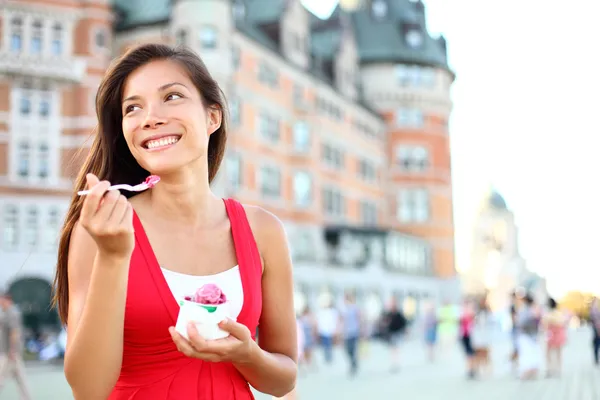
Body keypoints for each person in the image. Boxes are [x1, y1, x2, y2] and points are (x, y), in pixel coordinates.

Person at [51, 43, 298, 400]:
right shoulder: (100, 231)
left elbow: (284, 380)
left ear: (213, 117)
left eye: (172, 96)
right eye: (133, 107)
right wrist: (114, 256)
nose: (150, 117)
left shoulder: (264, 232)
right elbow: (88, 390)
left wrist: (247, 355)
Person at [0, 292, 32, 399]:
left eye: (2, 300)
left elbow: (14, 332)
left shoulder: (12, 313)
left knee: (1, 377)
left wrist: (12, 351)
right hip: (11, 353)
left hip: (9, 353)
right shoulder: (6, 312)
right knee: (20, 379)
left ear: (7, 300)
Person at [516, 294, 541, 380]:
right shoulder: (534, 309)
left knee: (526, 354)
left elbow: (521, 323)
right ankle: (532, 372)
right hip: (532, 335)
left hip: (526, 335)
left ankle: (527, 373)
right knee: (532, 353)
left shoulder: (525, 310)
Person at [543, 297, 567, 377]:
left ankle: (550, 369)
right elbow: (563, 323)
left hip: (551, 335)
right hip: (559, 334)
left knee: (549, 353)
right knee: (558, 353)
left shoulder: (548, 314)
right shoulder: (559, 313)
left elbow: (544, 325)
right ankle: (558, 369)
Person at [381, 297, 407, 373]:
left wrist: (405, 331)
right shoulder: (388, 314)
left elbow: (403, 323)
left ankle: (396, 363)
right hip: (391, 334)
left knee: (396, 349)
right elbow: (384, 322)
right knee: (393, 349)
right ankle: (394, 363)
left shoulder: (398, 313)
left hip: (397, 333)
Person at [458, 299, 476, 379]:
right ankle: (470, 369)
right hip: (465, 335)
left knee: (470, 353)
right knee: (468, 353)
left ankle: (471, 369)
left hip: (468, 335)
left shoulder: (468, 314)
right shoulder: (464, 314)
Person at [590, 297, 600, 366]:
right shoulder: (594, 310)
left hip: (597, 329)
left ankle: (596, 359)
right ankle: (596, 359)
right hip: (597, 329)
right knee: (597, 344)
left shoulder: (595, 309)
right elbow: (596, 321)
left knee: (596, 344)